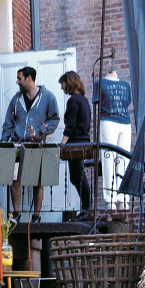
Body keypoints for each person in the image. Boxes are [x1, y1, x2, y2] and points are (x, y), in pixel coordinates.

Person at [1, 66, 60, 224]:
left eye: (19, 78)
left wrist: (40, 131)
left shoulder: (47, 97)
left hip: (36, 145)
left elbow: (54, 119)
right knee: (15, 178)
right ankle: (16, 213)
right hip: (17, 144)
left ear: (29, 78)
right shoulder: (16, 99)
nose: (17, 81)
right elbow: (8, 123)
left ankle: (36, 215)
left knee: (38, 180)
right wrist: (4, 143)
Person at [93, 69, 132, 209]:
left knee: (124, 159)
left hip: (125, 123)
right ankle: (110, 198)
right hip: (108, 121)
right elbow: (96, 103)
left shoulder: (126, 85)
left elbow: (127, 103)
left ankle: (123, 198)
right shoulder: (100, 83)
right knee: (108, 158)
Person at [58, 71, 93, 222]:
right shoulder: (84, 100)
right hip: (83, 141)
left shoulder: (73, 100)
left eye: (63, 84)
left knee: (77, 177)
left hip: (76, 144)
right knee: (77, 176)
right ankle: (86, 209)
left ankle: (86, 210)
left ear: (69, 82)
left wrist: (62, 144)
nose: (62, 88)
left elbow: (70, 126)